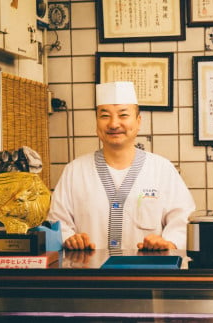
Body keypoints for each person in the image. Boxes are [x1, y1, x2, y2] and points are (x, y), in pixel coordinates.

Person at [47, 81, 196, 251]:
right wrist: (70, 239)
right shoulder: (74, 171)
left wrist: (169, 243)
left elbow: (183, 221)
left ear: (138, 121)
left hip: (149, 273)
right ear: (96, 122)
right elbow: (58, 223)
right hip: (89, 274)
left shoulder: (162, 169)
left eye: (123, 115)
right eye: (105, 116)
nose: (113, 124)